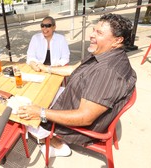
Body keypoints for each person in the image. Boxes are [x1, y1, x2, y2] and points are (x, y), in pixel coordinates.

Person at [18, 13, 137, 158]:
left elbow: (85, 117)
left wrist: (40, 112)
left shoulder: (107, 72)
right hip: (77, 97)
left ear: (117, 40)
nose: (91, 35)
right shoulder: (105, 53)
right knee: (38, 93)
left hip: (80, 120)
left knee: (24, 114)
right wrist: (46, 68)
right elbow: (74, 69)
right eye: (93, 30)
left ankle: (57, 145)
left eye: (99, 33)